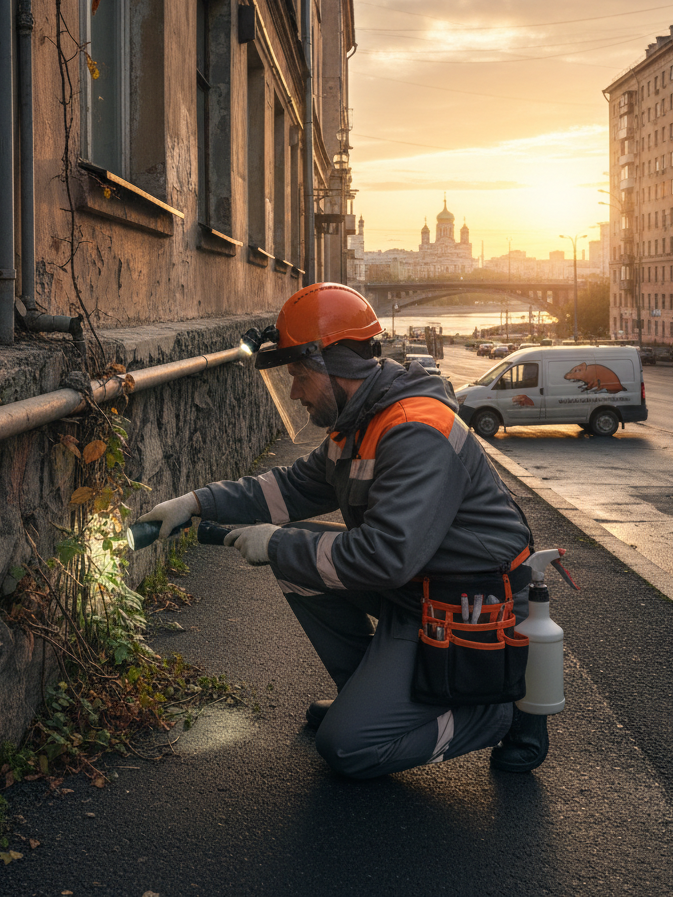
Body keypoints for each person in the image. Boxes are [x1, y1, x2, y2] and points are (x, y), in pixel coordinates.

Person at [138, 283, 548, 779]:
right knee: (296, 564)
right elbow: (287, 490)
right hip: (419, 593)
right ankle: (371, 699)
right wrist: (196, 503)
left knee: (347, 748)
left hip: (467, 607)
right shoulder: (359, 424)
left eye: (298, 376)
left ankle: (493, 713)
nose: (293, 392)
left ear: (335, 367)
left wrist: (276, 542)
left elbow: (384, 557)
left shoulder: (415, 432)